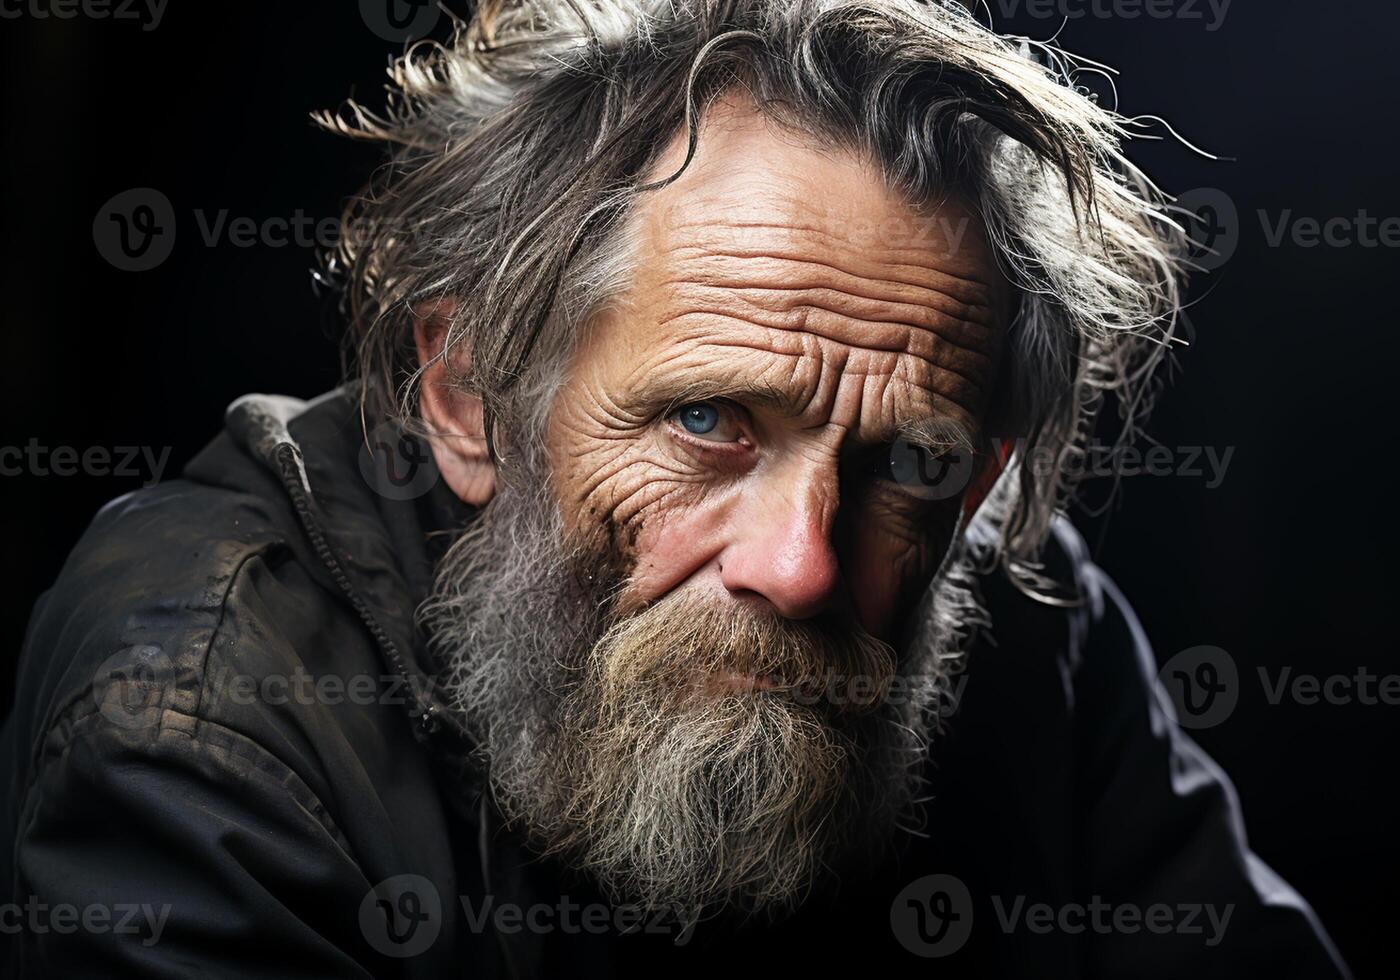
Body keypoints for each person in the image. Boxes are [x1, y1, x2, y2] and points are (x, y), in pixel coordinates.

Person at [0, 1, 1350, 975]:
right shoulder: (198, 717)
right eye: (707, 420)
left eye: (911, 463)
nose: (802, 565)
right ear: (470, 394)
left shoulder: (1026, 625)